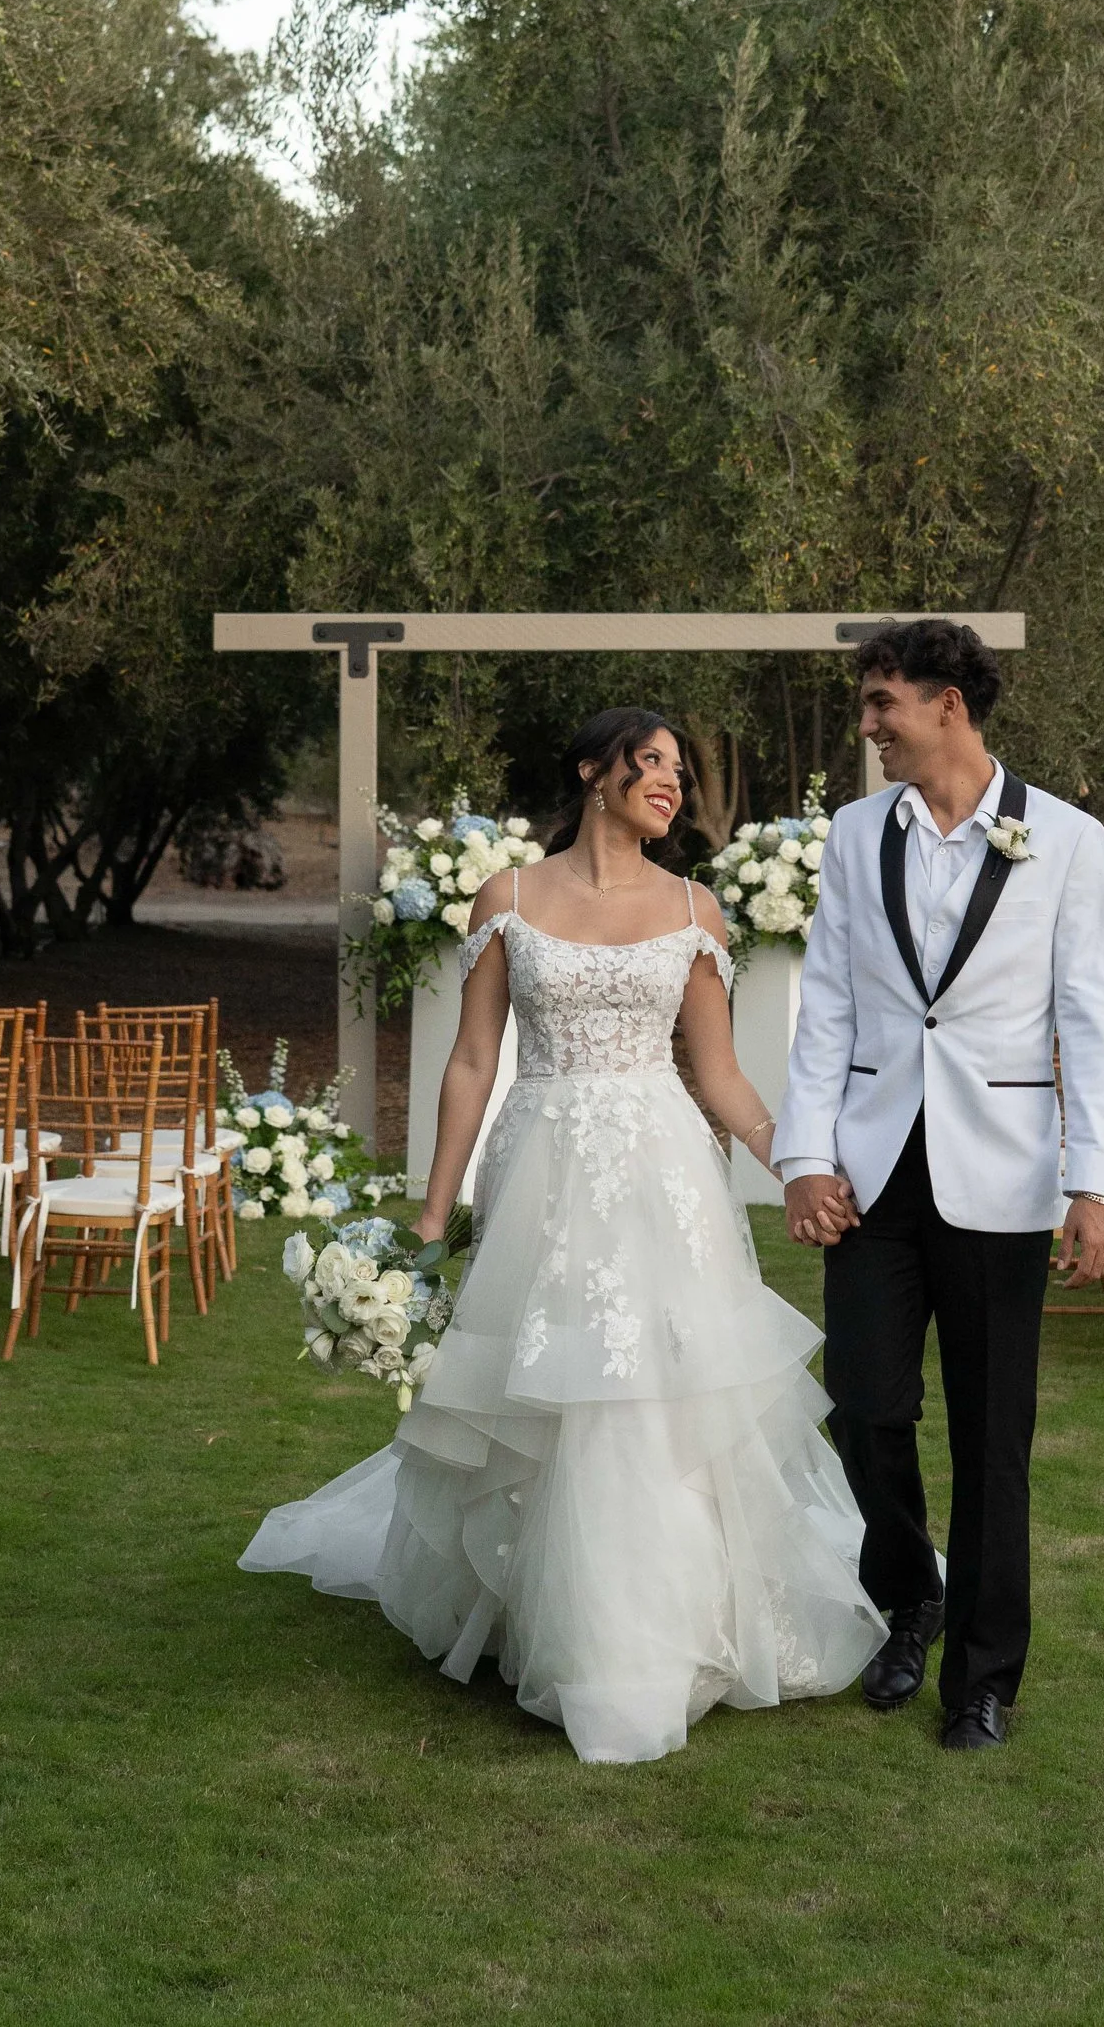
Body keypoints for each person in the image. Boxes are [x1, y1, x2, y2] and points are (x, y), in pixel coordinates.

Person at [240, 708, 885, 1765]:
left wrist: (800, 1167)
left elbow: (718, 1075)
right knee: (542, 1387)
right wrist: (434, 1209)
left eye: (681, 770)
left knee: (653, 1394)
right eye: (653, 763)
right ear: (594, 770)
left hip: (663, 1173)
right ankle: (529, 1614)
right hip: (539, 1164)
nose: (671, 783)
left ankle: (660, 1629)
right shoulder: (511, 897)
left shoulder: (695, 908)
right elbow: (469, 1062)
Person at [773, 619, 1104, 1752]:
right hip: (871, 1175)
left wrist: (1096, 1185)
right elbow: (826, 1001)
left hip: (1008, 1177)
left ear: (947, 707)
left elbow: (1095, 1019)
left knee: (992, 1439)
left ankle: (983, 1675)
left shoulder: (1066, 839)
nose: (869, 725)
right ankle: (908, 1600)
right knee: (866, 1407)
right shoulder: (850, 835)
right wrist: (805, 1156)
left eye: (882, 702)